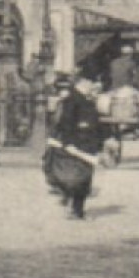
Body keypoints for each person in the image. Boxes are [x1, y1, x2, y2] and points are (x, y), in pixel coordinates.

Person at [45, 75, 103, 219]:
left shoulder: (82, 98)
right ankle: (76, 211)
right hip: (79, 143)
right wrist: (69, 142)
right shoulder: (73, 99)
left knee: (82, 176)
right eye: (91, 81)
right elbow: (66, 122)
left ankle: (75, 208)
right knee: (80, 177)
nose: (93, 85)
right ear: (84, 82)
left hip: (85, 142)